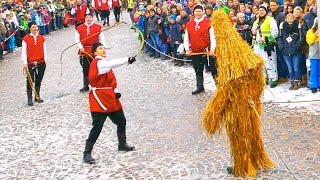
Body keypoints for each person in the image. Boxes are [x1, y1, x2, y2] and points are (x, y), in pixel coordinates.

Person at [83, 42, 136, 164]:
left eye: (103, 48)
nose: (103, 50)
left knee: (121, 121)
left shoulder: (104, 63)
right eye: (100, 49)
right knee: (97, 127)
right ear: (95, 53)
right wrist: (127, 60)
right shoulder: (99, 63)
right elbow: (111, 64)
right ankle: (87, 153)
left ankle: (122, 144)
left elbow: (111, 79)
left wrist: (116, 90)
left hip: (110, 97)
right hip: (99, 99)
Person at [183, 4, 217, 95]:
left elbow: (212, 37)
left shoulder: (208, 22)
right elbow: (186, 38)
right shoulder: (189, 24)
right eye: (196, 11)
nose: (198, 13)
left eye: (200, 11)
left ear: (203, 12)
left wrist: (212, 49)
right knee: (198, 69)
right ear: (193, 12)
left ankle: (219, 87)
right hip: (195, 52)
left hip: (207, 51)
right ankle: (200, 86)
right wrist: (187, 49)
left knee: (213, 69)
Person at [75, 13, 106, 93]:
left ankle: (98, 84)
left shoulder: (98, 27)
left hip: (95, 51)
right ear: (85, 18)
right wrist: (80, 47)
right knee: (85, 68)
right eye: (87, 17)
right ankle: (86, 85)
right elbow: (76, 39)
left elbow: (101, 39)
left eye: (90, 17)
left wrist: (101, 48)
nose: (88, 19)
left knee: (96, 68)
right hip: (84, 51)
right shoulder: (79, 28)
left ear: (92, 18)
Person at [252, 5, 279, 88]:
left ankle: (273, 79)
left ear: (266, 11)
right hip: (258, 45)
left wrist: (267, 39)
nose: (261, 11)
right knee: (261, 63)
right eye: (259, 10)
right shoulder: (256, 21)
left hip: (268, 44)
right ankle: (264, 78)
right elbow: (253, 33)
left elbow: (275, 32)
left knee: (270, 62)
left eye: (262, 10)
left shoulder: (271, 20)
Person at [21, 21, 47, 106]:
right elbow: (24, 51)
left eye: (36, 27)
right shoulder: (26, 39)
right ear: (30, 28)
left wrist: (45, 59)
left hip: (41, 62)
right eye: (33, 27)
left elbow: (44, 50)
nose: (35, 29)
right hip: (30, 63)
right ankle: (29, 98)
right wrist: (25, 62)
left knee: (38, 80)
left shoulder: (41, 38)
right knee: (30, 80)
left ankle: (37, 95)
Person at [277, 13, 305, 90]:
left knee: (296, 67)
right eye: (288, 19)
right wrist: (281, 46)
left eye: (291, 18)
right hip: (285, 50)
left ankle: (297, 82)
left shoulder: (298, 26)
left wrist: (297, 46)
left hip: (295, 50)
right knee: (290, 68)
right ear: (286, 19)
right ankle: (292, 81)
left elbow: (301, 37)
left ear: (293, 19)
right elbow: (279, 37)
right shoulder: (282, 27)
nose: (290, 20)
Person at [306, 18, 320, 93]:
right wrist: (316, 34)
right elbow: (310, 41)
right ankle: (313, 86)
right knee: (314, 71)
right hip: (314, 55)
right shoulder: (310, 32)